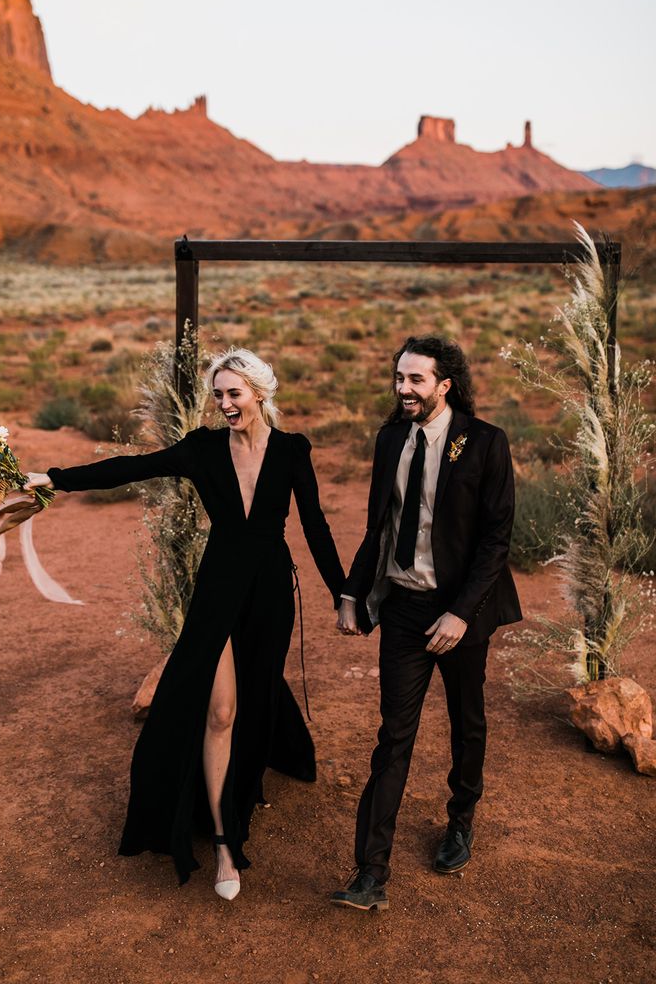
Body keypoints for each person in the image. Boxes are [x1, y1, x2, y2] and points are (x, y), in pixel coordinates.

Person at [26, 347, 345, 900]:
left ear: (259, 394)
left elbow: (314, 523)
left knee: (257, 705)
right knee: (220, 712)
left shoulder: (293, 451)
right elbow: (132, 468)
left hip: (270, 590)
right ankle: (224, 843)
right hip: (218, 588)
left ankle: (243, 794)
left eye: (234, 393)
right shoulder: (202, 449)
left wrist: (343, 594)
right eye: (217, 394)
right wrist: (54, 479)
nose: (224, 404)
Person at [330, 335, 522, 912]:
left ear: (445, 385)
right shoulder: (390, 439)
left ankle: (460, 824)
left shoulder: (485, 441)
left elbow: (497, 540)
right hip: (406, 609)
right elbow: (379, 525)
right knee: (394, 736)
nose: (404, 389)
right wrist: (352, 590)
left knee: (468, 723)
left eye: (416, 380)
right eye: (398, 378)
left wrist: (461, 614)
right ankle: (371, 874)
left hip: (463, 609)